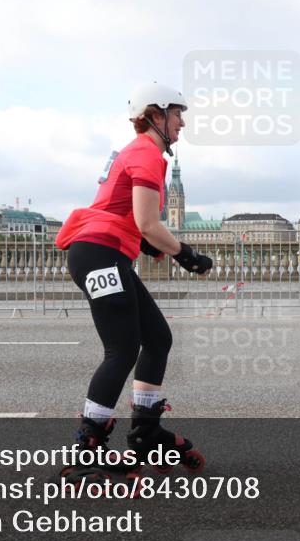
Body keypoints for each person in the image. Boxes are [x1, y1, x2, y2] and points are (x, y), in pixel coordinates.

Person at [54, 82, 213, 481]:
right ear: (155, 115)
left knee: (158, 338)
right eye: (177, 114)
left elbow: (118, 209)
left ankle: (145, 430)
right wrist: (186, 255)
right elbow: (147, 221)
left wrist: (144, 244)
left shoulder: (136, 152)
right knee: (121, 350)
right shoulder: (146, 153)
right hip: (99, 256)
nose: (182, 123)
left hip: (104, 253)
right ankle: (87, 446)